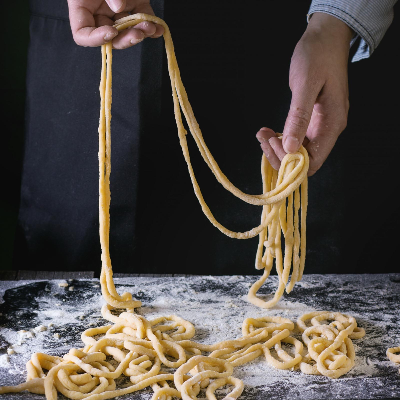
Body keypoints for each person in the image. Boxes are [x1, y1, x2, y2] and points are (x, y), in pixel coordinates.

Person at [13, 0, 398, 274]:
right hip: (86, 35)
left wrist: (336, 19)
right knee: (74, 272)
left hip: (290, 37)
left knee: (303, 279)